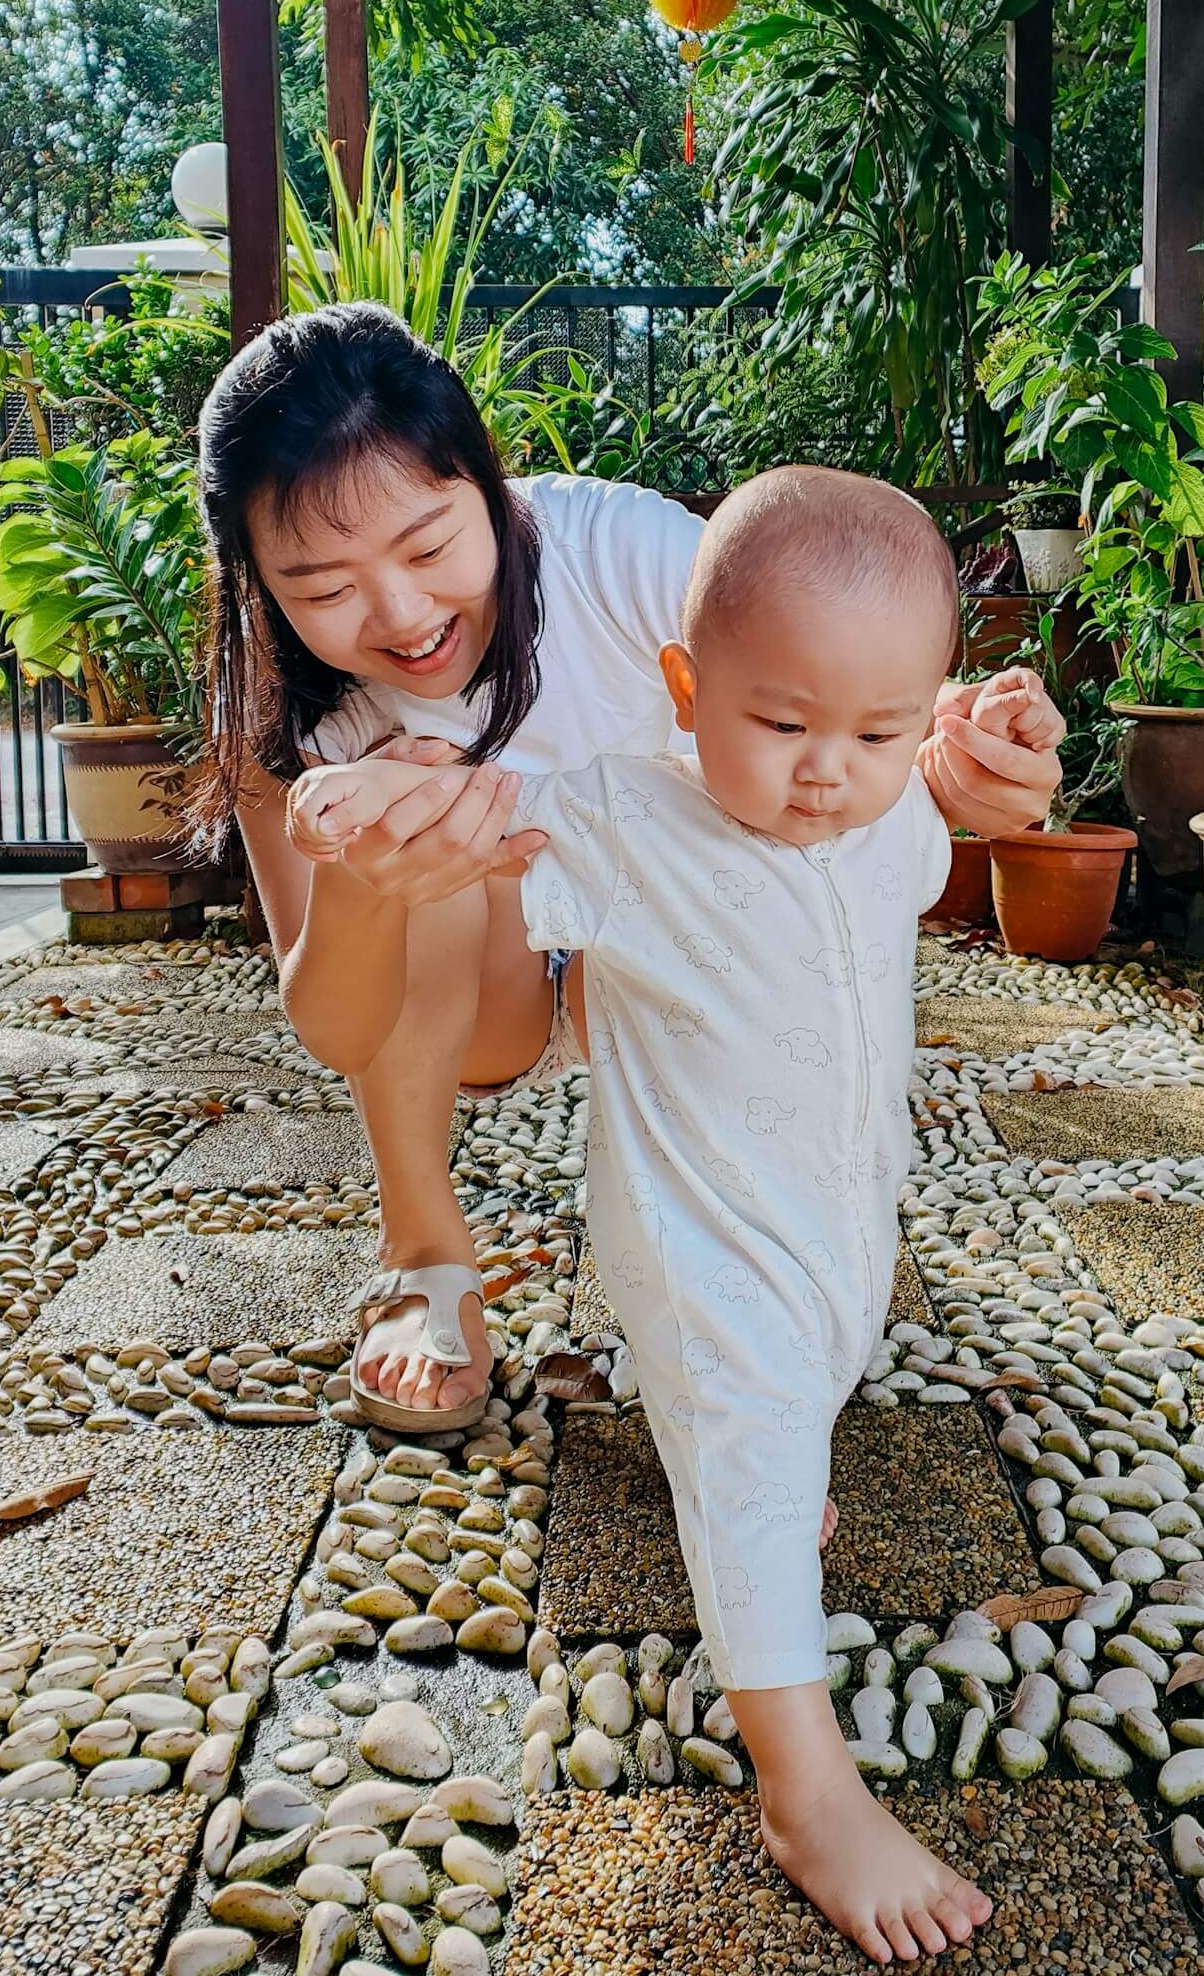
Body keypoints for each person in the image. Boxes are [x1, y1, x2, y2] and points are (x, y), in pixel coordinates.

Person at [287, 467, 998, 1966]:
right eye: (781, 724)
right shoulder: (624, 817)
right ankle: (806, 1793)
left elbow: (929, 814)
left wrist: (969, 753)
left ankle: (753, 1448)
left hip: (842, 1220)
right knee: (746, 1425)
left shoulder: (889, 820)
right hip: (695, 1240)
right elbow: (485, 807)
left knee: (812, 1373)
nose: (825, 771)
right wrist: (373, 805)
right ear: (686, 690)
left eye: (876, 730)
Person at [197, 303, 1065, 1431]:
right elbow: (332, 1019)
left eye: (427, 545)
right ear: (259, 581)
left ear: (488, 487)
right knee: (423, 818)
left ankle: (775, 1253)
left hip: (684, 955)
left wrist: (964, 734)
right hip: (492, 1001)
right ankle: (423, 1247)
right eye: (324, 587)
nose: (403, 613)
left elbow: (821, 650)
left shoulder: (603, 549)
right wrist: (372, 875)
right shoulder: (276, 707)